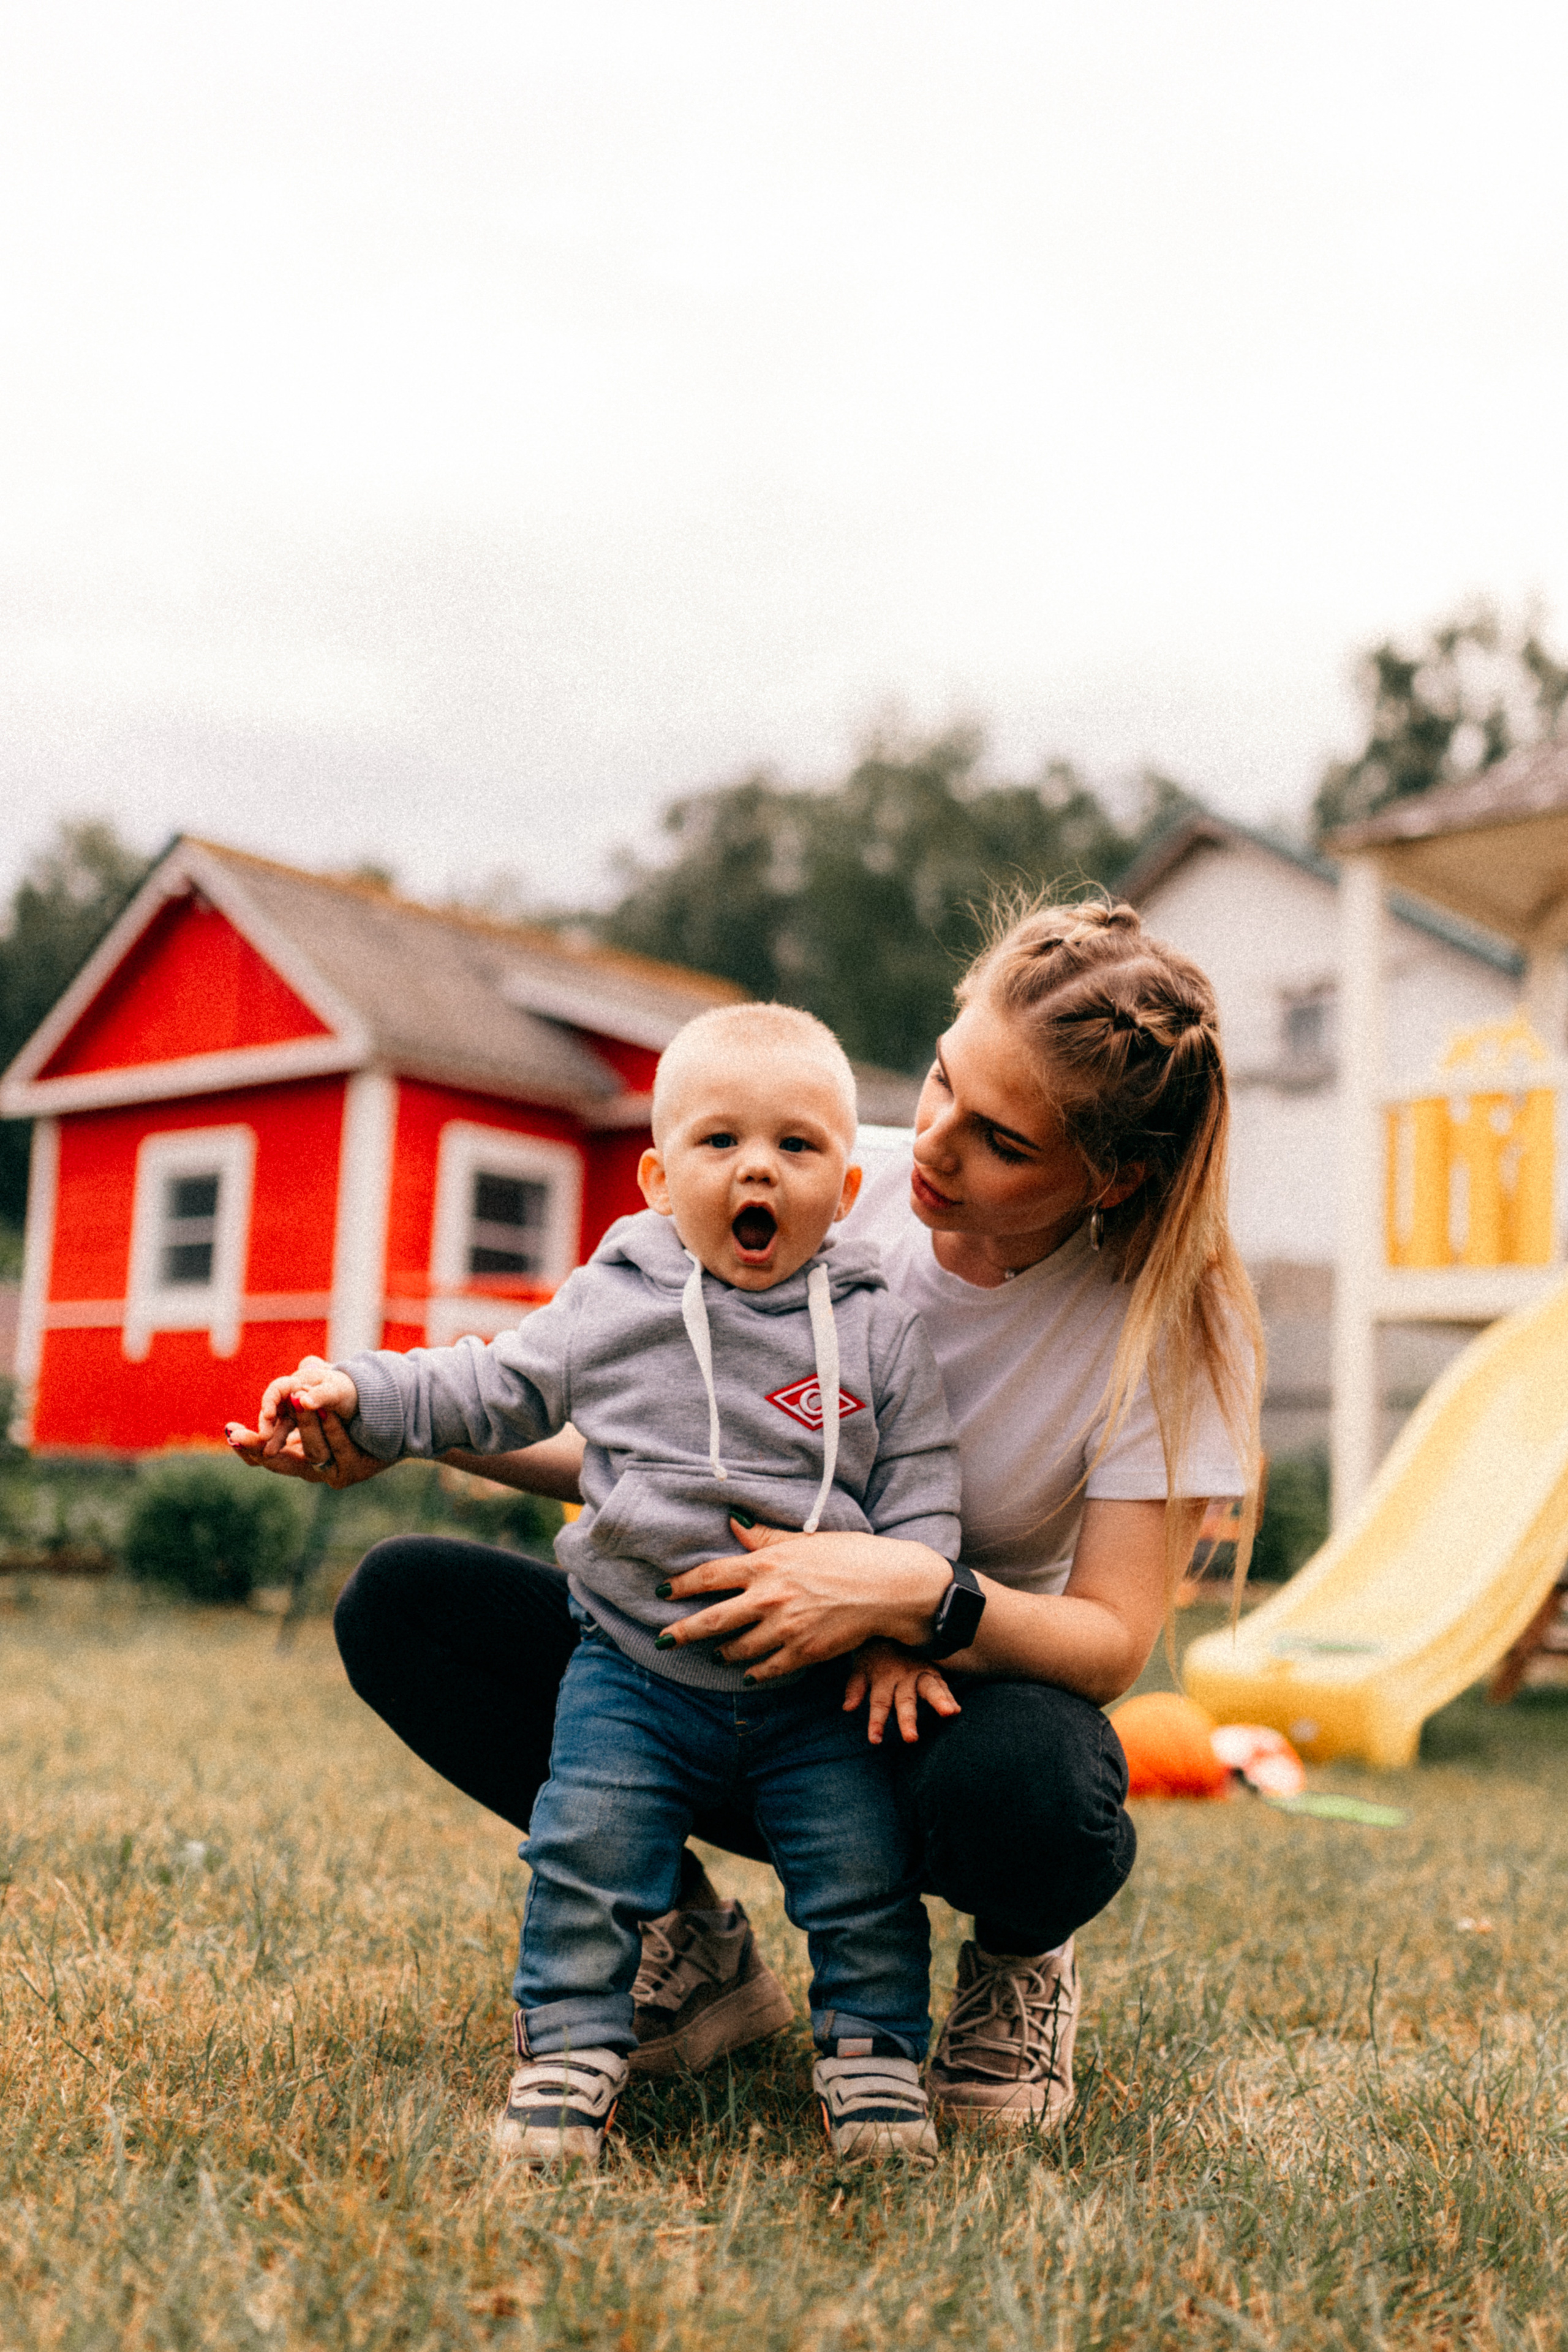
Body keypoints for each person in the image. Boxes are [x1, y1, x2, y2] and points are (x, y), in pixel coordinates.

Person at [231, 894, 1263, 2136]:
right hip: (685, 1676)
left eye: (997, 1140)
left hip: (909, 1719)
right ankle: (688, 1943)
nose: (930, 1145)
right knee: (405, 1603)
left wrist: (903, 1596)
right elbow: (647, 1439)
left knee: (1040, 1780)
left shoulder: (1159, 1327)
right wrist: (396, 1431)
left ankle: (1016, 1963)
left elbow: (1108, 1640)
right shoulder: (819, 1175)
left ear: (1111, 1178)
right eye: (940, 1082)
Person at [238, 1004, 964, 2168]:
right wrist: (361, 1397)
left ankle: (875, 2068)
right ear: (659, 1176)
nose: (758, 1168)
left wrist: (896, 1630)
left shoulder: (878, 1330)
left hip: (814, 1688)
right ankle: (570, 2055)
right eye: (720, 1143)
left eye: (797, 1145)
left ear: (844, 1180)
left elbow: (923, 1495)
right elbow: (490, 1388)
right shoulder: (613, 1298)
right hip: (634, 1672)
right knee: (586, 1856)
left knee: (862, 1880)